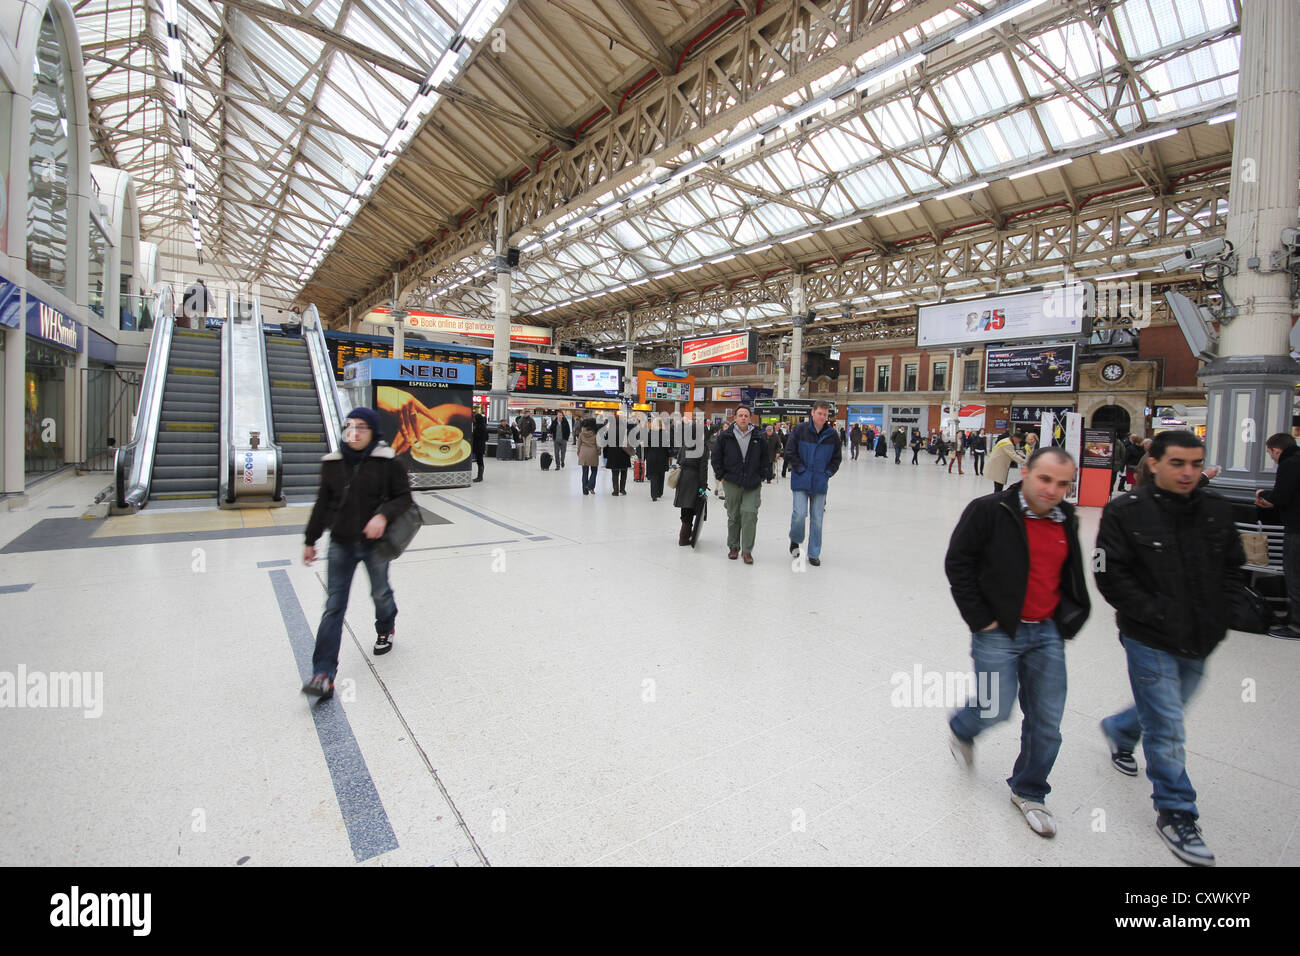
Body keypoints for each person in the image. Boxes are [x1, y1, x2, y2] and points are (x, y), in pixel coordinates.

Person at [1095, 431, 1244, 867]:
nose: (1188, 473)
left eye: (1196, 465)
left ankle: (1121, 730)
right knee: (1167, 725)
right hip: (1148, 636)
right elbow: (1108, 572)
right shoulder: (1125, 511)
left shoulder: (1216, 510)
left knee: (1169, 707)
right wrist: (1149, 613)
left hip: (1201, 635)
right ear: (1154, 463)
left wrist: (1225, 614)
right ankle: (1176, 811)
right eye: (1178, 463)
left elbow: (1233, 566)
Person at [945, 447, 1090, 837]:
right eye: (1045, 479)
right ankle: (963, 727)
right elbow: (959, 562)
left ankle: (1029, 789)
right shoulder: (989, 510)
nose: (1053, 490)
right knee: (994, 708)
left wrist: (1069, 618)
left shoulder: (1067, 519)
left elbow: (1070, 571)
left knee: (1047, 722)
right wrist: (982, 619)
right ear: (1024, 472)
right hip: (998, 630)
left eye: (1063, 484)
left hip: (1047, 632)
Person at [301, 407, 413, 699]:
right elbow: (322, 504)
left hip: (375, 545)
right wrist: (310, 540)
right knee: (334, 606)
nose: (355, 432)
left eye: (362, 427)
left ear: (373, 431)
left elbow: (404, 497)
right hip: (340, 543)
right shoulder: (333, 463)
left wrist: (383, 516)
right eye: (351, 426)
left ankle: (385, 626)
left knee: (380, 592)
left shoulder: (387, 462)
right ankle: (323, 673)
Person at [711, 405, 772, 563]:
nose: (743, 418)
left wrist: (763, 475)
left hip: (752, 482)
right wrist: (721, 476)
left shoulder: (758, 437)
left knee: (750, 514)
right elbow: (716, 457)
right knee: (734, 515)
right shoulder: (725, 436)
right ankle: (733, 546)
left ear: (750, 418)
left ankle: (747, 551)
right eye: (740, 415)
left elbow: (766, 458)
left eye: (746, 415)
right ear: (735, 418)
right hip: (732, 482)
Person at [1254, 433, 1300, 639]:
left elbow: (1281, 496)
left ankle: (1296, 625)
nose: (1271, 457)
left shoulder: (1289, 464)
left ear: (1277, 450)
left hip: (1296, 529)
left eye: (1270, 452)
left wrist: (1263, 495)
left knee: (1294, 576)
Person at [785, 401, 842, 567]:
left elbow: (836, 458)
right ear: (813, 413)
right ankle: (795, 539)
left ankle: (814, 553)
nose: (822, 417)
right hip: (801, 480)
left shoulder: (832, 435)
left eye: (825, 415)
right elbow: (790, 451)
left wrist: (827, 473)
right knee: (799, 514)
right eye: (820, 413)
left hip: (819, 483)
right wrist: (800, 469)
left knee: (817, 519)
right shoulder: (800, 430)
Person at [674, 417, 710, 545]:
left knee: (685, 507)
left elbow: (678, 460)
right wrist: (703, 486)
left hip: (683, 477)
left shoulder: (685, 444)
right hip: (694, 479)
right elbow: (703, 469)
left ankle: (684, 535)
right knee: (692, 507)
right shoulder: (702, 447)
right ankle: (684, 538)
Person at [645, 417, 674, 501]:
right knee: (661, 475)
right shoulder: (665, 434)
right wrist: (669, 455)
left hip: (652, 457)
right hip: (662, 457)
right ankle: (659, 492)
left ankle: (654, 495)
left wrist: (647, 455)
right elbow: (669, 446)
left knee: (654, 476)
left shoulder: (650, 434)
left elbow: (646, 446)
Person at [602, 417, 632, 495]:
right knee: (624, 472)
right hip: (624, 454)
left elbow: (606, 444)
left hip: (613, 454)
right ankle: (622, 489)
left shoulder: (609, 432)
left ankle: (615, 490)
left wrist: (605, 454)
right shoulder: (626, 431)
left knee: (614, 473)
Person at [576, 417, 600, 495]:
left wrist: (579, 452)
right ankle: (590, 485)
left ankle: (585, 491)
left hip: (583, 453)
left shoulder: (581, 433)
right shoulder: (596, 433)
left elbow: (579, 444)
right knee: (594, 470)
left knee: (585, 472)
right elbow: (598, 445)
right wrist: (599, 452)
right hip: (593, 453)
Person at [470, 412, 487, 482]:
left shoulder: (478, 427)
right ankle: (480, 476)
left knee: (479, 461)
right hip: (482, 446)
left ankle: (480, 477)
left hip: (478, 446)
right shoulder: (484, 426)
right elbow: (487, 437)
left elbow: (475, 436)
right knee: (480, 460)